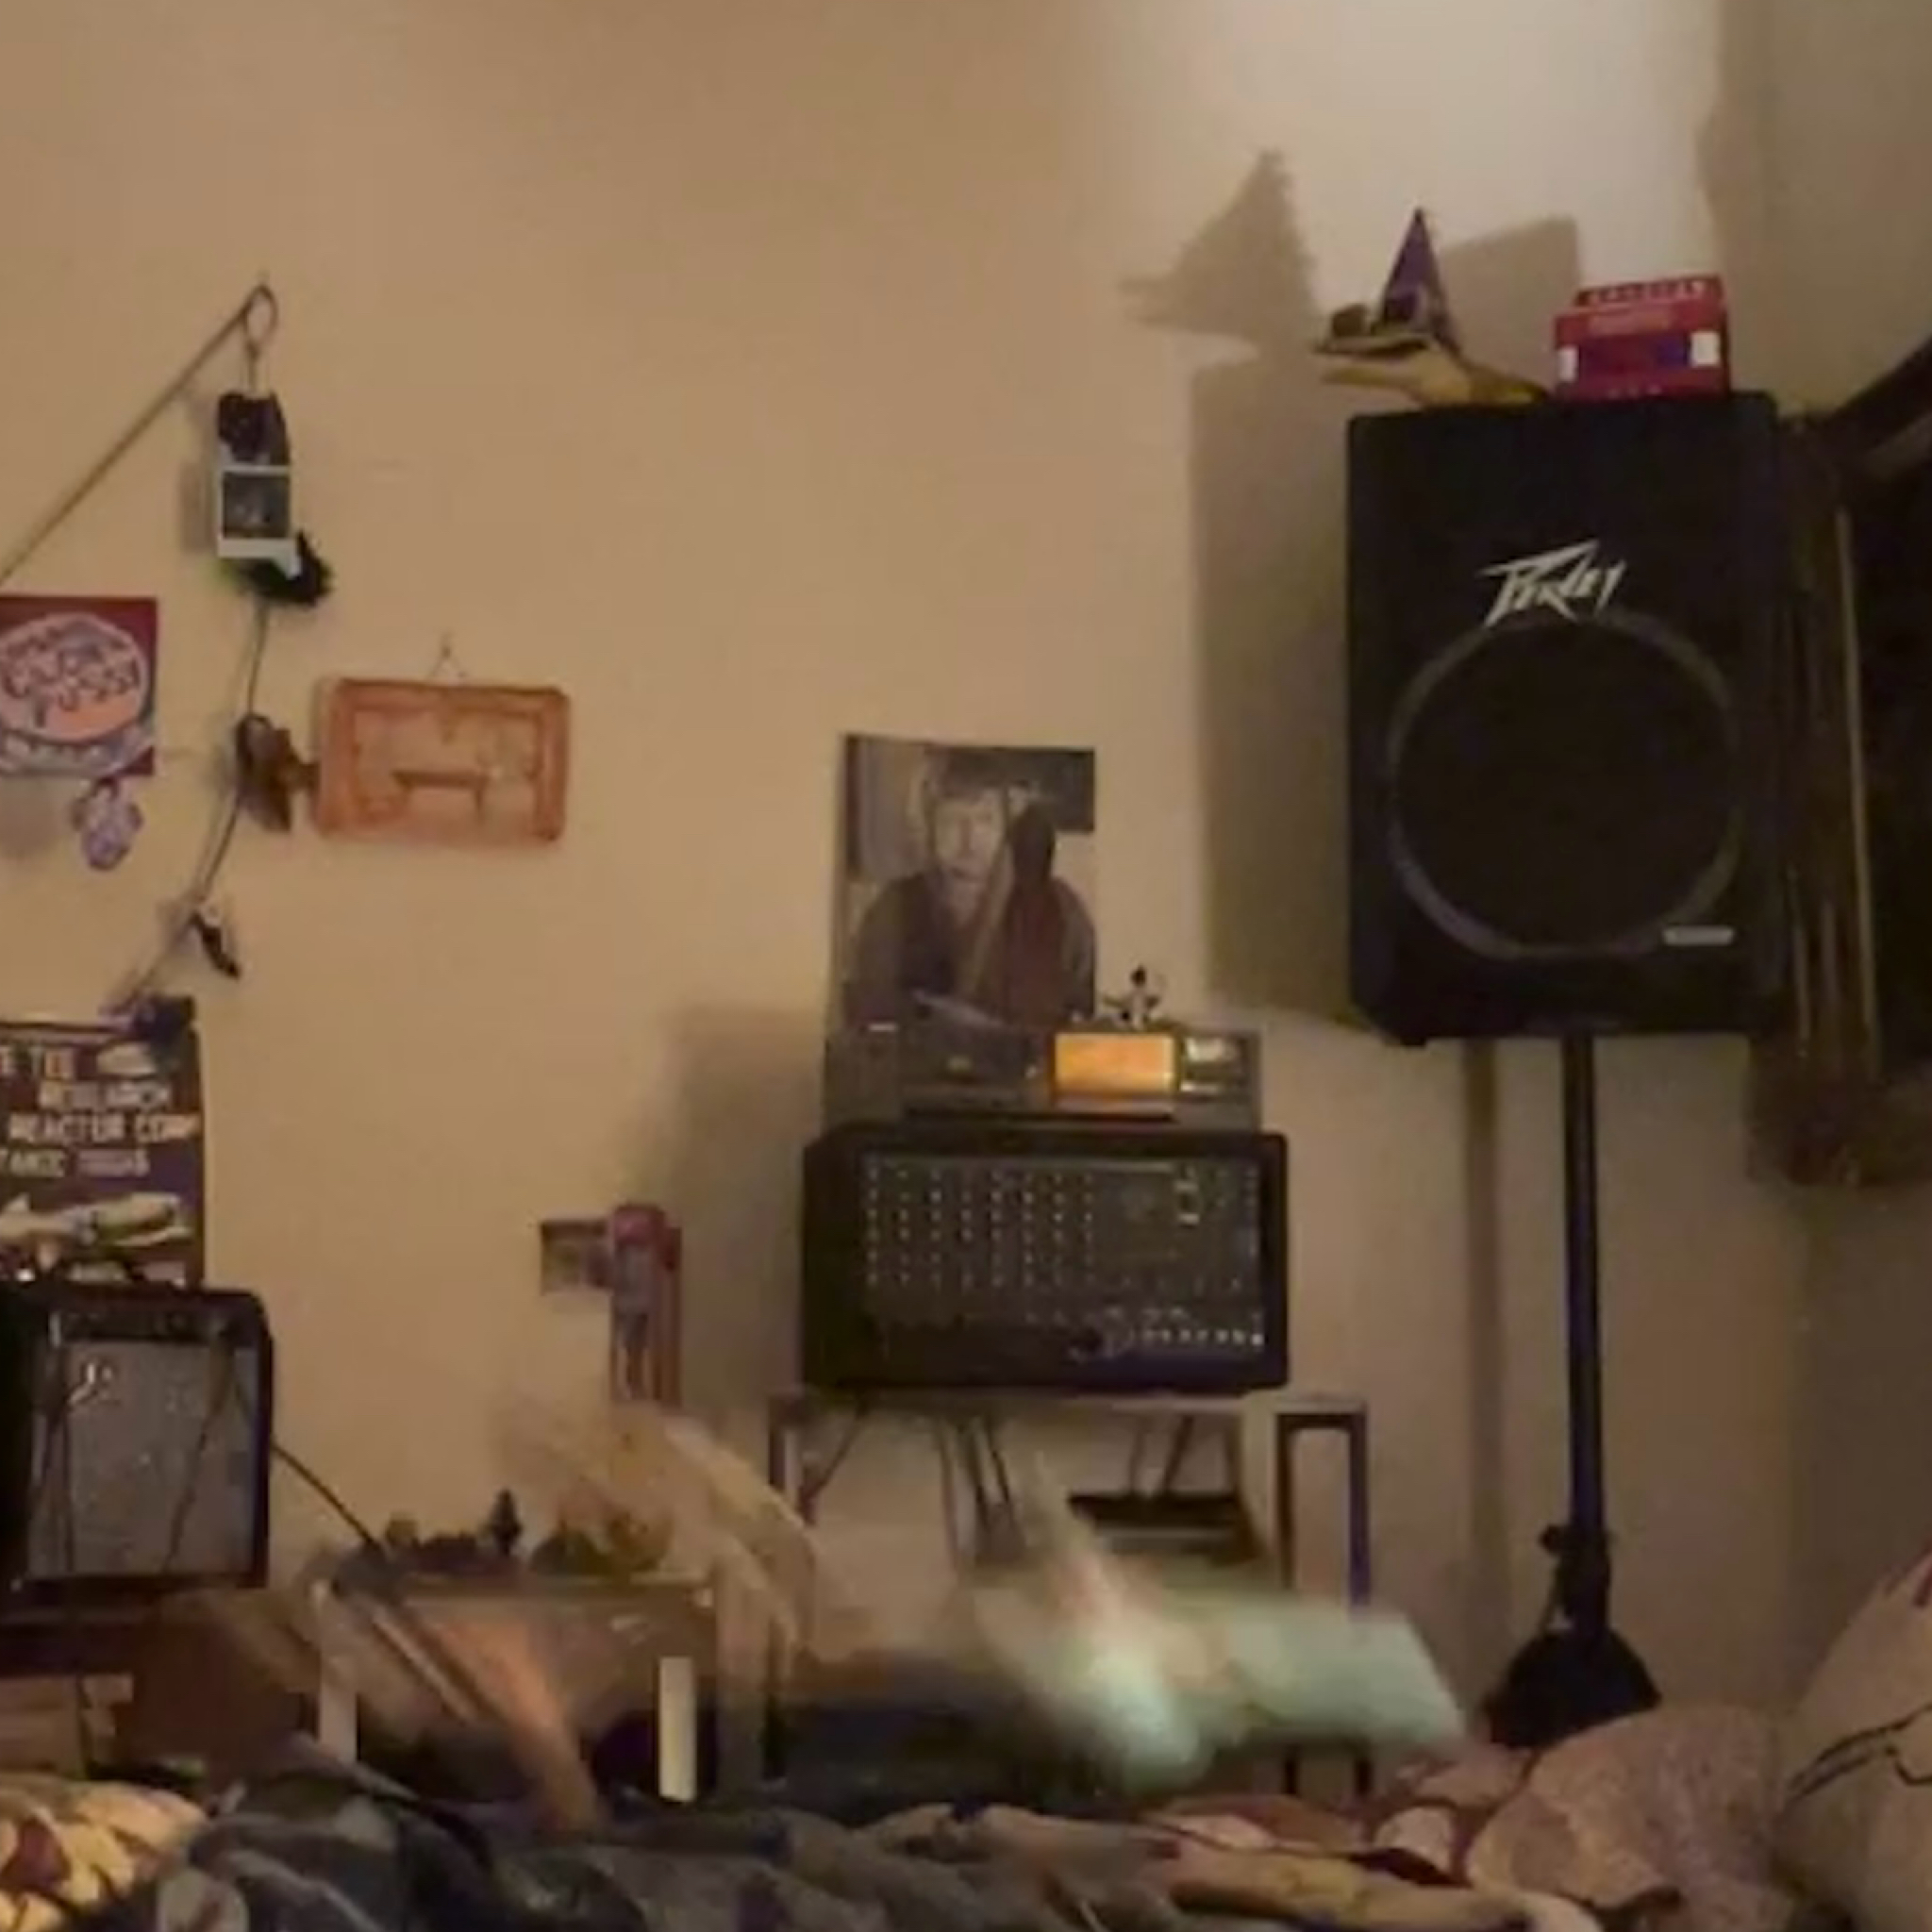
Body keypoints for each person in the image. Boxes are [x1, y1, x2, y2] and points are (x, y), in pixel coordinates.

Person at [844, 749, 1096, 1028]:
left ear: (1005, 826)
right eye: (952, 821)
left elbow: (1085, 1015)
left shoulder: (1057, 907)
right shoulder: (893, 908)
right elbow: (865, 1011)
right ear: (928, 828)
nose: (970, 838)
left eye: (985, 820)